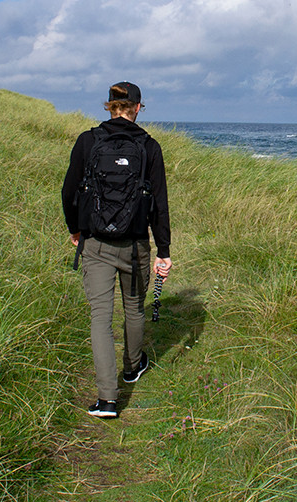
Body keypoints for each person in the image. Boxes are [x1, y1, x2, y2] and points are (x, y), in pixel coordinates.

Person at [61, 81, 172, 419]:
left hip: (95, 243)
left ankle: (108, 400)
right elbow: (160, 205)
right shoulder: (150, 147)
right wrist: (163, 250)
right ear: (138, 108)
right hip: (136, 242)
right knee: (134, 309)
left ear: (109, 107)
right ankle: (132, 368)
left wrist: (76, 229)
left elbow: (69, 191)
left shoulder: (87, 141)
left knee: (100, 318)